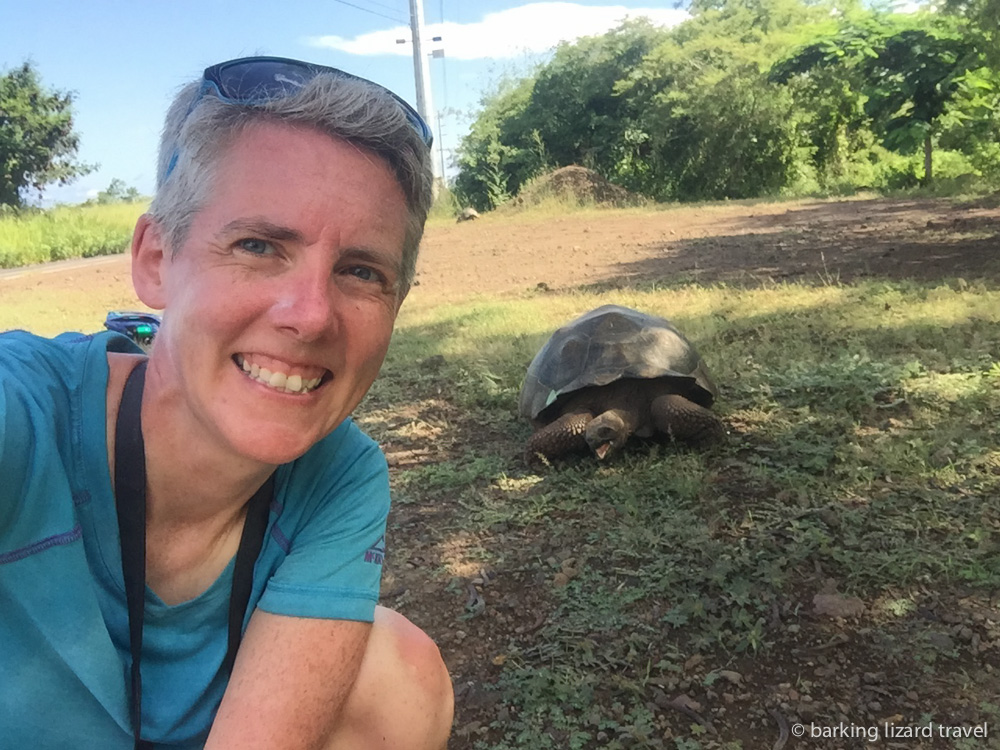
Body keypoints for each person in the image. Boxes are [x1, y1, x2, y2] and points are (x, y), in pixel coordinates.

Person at [0, 56, 453, 749]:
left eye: (361, 271)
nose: (310, 316)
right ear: (156, 260)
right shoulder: (22, 415)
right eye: (257, 245)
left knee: (398, 676)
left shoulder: (340, 473)